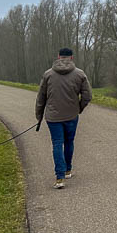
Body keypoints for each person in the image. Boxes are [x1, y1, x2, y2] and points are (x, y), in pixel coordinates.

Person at [35, 48, 92, 189]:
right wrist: (79, 108)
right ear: (71, 58)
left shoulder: (48, 74)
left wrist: (39, 115)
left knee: (57, 143)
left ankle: (59, 178)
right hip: (71, 115)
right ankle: (67, 170)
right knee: (69, 142)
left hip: (53, 117)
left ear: (58, 57)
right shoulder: (80, 74)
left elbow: (41, 97)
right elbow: (87, 96)